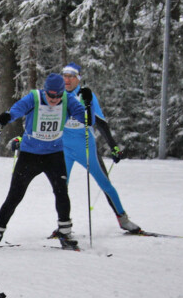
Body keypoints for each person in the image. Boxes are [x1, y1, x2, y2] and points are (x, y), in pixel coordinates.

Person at [0, 73, 87, 250]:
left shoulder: (68, 100)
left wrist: (88, 105)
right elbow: (17, 109)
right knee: (15, 195)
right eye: (51, 95)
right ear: (45, 91)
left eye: (58, 95)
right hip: (30, 155)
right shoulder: (34, 98)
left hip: (54, 155)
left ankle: (65, 233)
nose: (54, 99)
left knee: (61, 193)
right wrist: (8, 116)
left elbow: (86, 119)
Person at [59, 62, 141, 233]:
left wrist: (113, 147)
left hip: (85, 147)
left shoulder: (86, 95)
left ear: (78, 78)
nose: (67, 80)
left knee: (104, 183)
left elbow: (101, 122)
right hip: (64, 148)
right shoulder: (58, 94)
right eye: (64, 76)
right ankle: (63, 226)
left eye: (71, 76)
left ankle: (123, 219)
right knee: (60, 187)